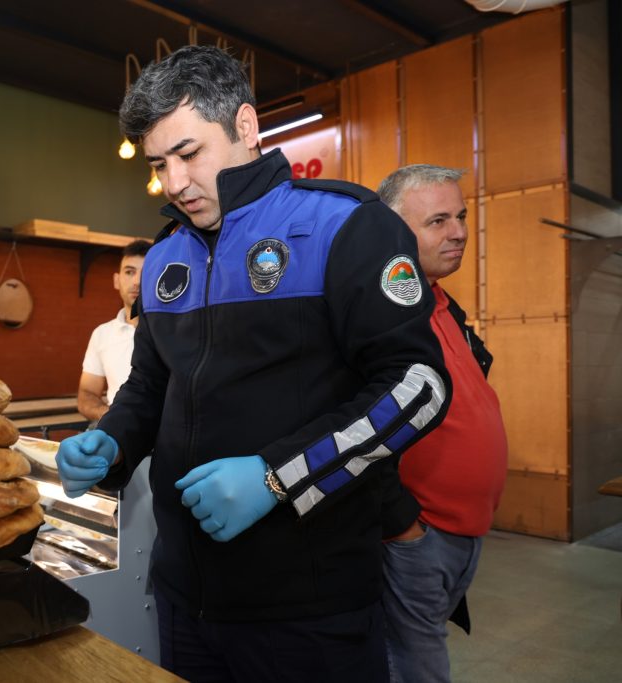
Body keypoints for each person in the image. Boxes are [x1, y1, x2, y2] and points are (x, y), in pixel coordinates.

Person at [55, 45, 451, 682]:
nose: (174, 183)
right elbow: (152, 384)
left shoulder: (346, 226)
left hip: (308, 604)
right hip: (185, 595)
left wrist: (276, 477)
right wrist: (113, 440)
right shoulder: (165, 257)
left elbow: (418, 386)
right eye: (158, 164)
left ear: (244, 126)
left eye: (188, 154)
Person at [377, 164, 508, 683]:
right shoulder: (380, 313)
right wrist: (403, 526)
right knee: (414, 666)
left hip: (463, 532)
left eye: (461, 216)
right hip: (417, 535)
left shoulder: (442, 304)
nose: (458, 232)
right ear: (392, 232)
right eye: (438, 221)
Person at [77, 239, 152, 423]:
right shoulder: (102, 334)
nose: (137, 281)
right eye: (129, 272)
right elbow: (87, 394)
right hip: (116, 429)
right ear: (116, 280)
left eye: (146, 272)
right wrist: (113, 417)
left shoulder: (174, 331)